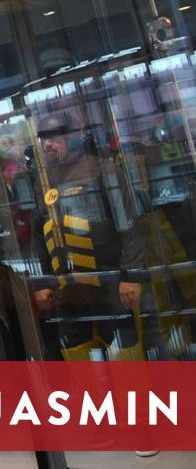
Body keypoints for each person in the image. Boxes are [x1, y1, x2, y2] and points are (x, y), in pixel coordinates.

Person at [31, 112, 147, 361]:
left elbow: (130, 227)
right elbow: (39, 239)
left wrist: (131, 275)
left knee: (127, 363)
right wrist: (42, 284)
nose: (48, 144)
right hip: (68, 297)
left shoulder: (103, 170)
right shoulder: (43, 183)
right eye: (44, 139)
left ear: (74, 138)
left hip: (110, 288)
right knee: (81, 364)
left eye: (55, 137)